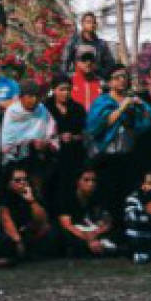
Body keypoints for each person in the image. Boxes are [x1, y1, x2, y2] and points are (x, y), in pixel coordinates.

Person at [86, 64, 151, 215]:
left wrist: (142, 108)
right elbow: (96, 126)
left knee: (126, 197)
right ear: (110, 82)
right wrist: (121, 108)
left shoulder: (133, 100)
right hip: (105, 157)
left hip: (127, 157)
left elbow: (148, 122)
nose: (122, 80)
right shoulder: (102, 101)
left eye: (124, 77)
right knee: (107, 197)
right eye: (117, 77)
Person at [0, 81, 58, 189]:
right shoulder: (12, 112)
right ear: (21, 97)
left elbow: (52, 132)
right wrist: (30, 143)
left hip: (39, 160)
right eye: (30, 96)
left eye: (37, 96)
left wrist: (46, 144)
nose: (34, 100)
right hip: (15, 162)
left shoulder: (42, 109)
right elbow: (7, 144)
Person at [0, 164, 56, 262]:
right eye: (17, 180)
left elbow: (42, 219)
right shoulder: (2, 198)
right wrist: (18, 241)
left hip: (25, 231)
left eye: (25, 179)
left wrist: (31, 200)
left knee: (49, 230)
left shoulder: (29, 194)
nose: (23, 183)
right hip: (9, 234)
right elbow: (6, 220)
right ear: (9, 183)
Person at [44, 76, 88, 208]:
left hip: (74, 155)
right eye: (62, 89)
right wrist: (58, 137)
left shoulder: (78, 108)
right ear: (54, 90)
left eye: (68, 89)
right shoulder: (45, 108)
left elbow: (86, 133)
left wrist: (74, 137)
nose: (66, 93)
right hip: (52, 157)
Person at [57, 167, 116, 258]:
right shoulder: (67, 199)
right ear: (78, 182)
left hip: (94, 231)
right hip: (78, 233)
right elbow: (67, 225)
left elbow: (107, 222)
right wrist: (87, 239)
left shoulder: (99, 197)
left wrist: (96, 233)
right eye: (86, 180)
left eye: (93, 180)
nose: (91, 184)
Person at [61, 11, 115, 78]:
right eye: (88, 22)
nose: (91, 25)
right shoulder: (73, 42)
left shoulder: (102, 44)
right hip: (77, 81)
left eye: (94, 23)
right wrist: (72, 77)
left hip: (96, 80)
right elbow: (64, 65)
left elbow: (110, 65)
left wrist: (101, 75)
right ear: (82, 24)